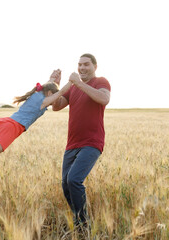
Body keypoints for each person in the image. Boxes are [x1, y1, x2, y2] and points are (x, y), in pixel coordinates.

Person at [52, 53, 111, 228]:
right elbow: (56, 106)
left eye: (86, 64)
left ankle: (84, 225)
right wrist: (56, 85)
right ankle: (78, 219)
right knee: (65, 184)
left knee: (74, 180)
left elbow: (104, 98)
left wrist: (78, 83)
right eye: (79, 65)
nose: (82, 68)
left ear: (95, 67)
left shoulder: (101, 82)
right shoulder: (73, 87)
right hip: (72, 144)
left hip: (92, 142)